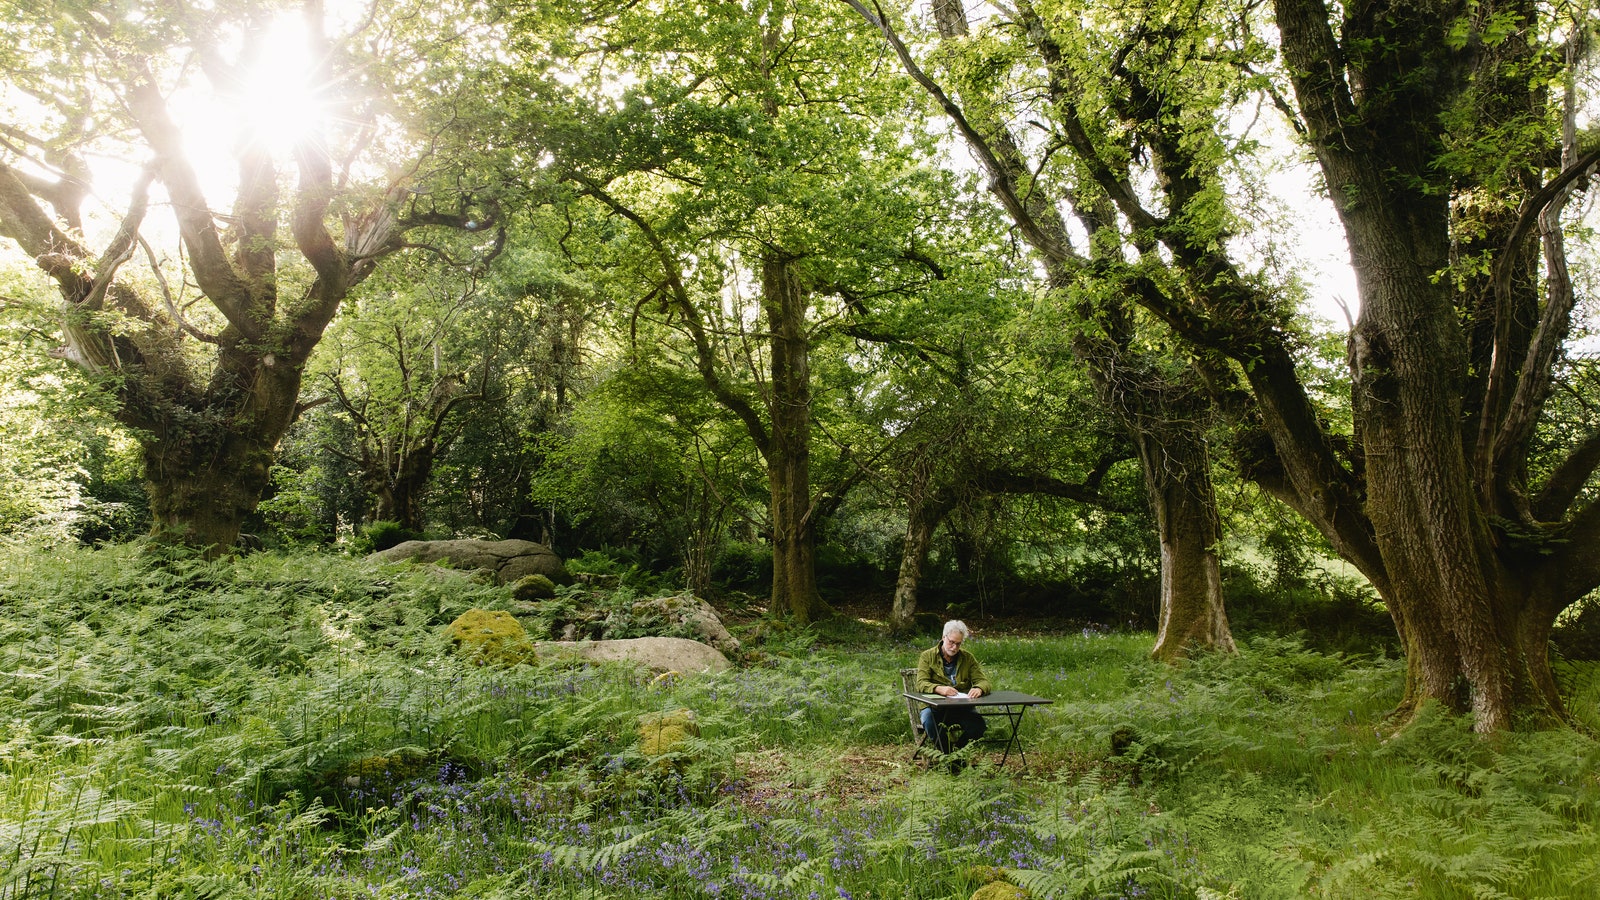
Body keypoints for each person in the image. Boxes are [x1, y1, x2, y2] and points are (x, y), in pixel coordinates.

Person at [914, 620, 992, 755]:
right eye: (951, 642)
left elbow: (984, 681)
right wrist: (939, 688)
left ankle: (957, 755)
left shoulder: (968, 658)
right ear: (943, 637)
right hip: (935, 708)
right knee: (930, 723)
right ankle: (949, 757)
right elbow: (921, 683)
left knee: (978, 726)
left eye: (958, 643)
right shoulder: (927, 656)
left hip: (961, 708)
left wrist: (979, 688)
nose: (954, 647)